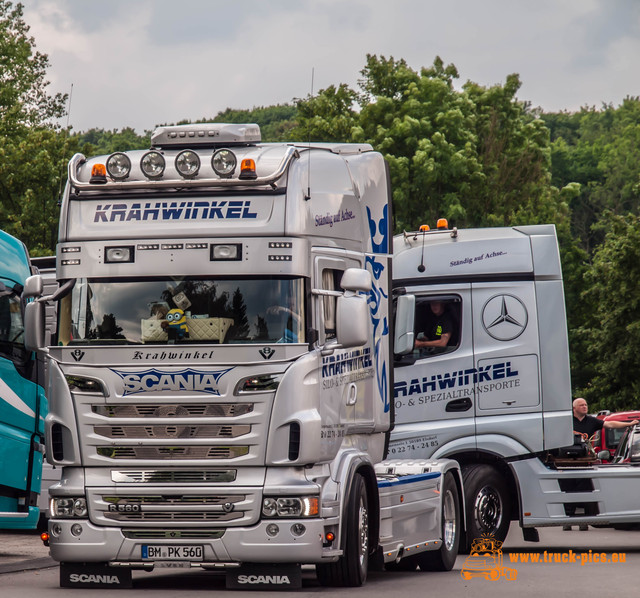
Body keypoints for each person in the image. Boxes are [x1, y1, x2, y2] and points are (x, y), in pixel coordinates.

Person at [563, 398, 639, 531]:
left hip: (584, 460)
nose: (585, 407)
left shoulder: (591, 421)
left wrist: (628, 424)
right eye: (581, 405)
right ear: (574, 408)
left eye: (586, 404)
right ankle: (567, 520)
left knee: (585, 489)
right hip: (566, 460)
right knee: (568, 489)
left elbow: (610, 425)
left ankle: (583, 521)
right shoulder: (566, 422)